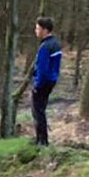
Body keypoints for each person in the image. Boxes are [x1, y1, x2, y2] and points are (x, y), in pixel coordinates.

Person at [32, 17, 62, 146]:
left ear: (45, 30)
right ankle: (41, 139)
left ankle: (41, 140)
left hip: (43, 82)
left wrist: (37, 84)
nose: (36, 31)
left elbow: (42, 69)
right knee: (41, 110)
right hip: (52, 80)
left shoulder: (45, 46)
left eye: (38, 28)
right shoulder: (56, 44)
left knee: (38, 111)